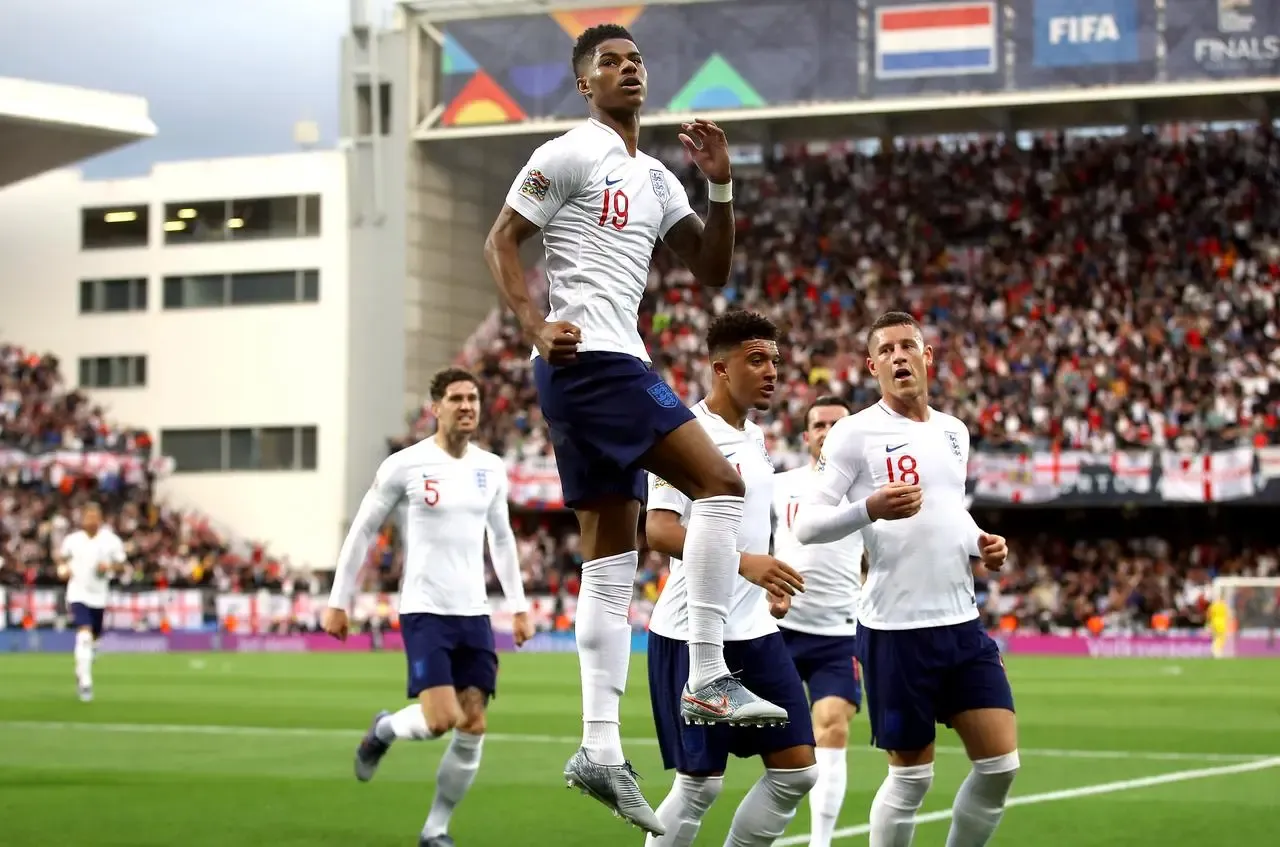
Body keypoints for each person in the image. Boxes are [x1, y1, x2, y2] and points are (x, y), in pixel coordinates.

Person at [483, 22, 785, 832]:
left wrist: (719, 187)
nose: (628, 71)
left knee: (610, 560)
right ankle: (711, 672)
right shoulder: (571, 150)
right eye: (609, 63)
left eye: (635, 61)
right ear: (585, 84)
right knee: (719, 482)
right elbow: (502, 239)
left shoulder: (654, 177)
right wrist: (533, 323)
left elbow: (712, 268)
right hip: (595, 361)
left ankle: (598, 746)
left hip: (598, 368)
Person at [794, 311, 1018, 847]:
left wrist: (981, 542)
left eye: (907, 346)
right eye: (887, 350)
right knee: (912, 778)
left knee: (1000, 766)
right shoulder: (852, 434)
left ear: (926, 357)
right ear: (873, 366)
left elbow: (951, 512)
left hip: (962, 625)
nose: (899, 356)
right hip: (897, 631)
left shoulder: (953, 432)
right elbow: (806, 524)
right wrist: (868, 508)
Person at [322, 368, 534, 847]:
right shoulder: (405, 465)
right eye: (456, 398)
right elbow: (362, 531)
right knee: (440, 720)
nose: (466, 406)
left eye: (473, 398)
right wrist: (339, 601)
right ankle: (385, 728)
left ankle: (435, 830)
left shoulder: (491, 468)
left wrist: (518, 607)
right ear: (435, 408)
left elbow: (501, 539)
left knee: (474, 722)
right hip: (425, 609)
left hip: (474, 613)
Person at [644, 310, 815, 847]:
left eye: (776, 362)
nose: (771, 372)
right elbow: (660, 531)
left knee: (797, 771)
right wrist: (747, 565)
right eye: (756, 360)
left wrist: (767, 579)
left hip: (755, 630)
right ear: (720, 368)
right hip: (691, 633)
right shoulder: (683, 437)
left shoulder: (757, 438)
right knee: (699, 789)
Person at [770, 396, 864, 847]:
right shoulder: (778, 486)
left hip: (838, 634)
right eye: (818, 425)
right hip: (777, 630)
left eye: (836, 425)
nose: (827, 432)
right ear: (806, 436)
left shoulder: (870, 492)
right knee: (776, 746)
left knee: (832, 724)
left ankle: (820, 841)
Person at [57, 502, 126, 702]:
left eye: (94, 516)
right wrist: (63, 569)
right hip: (78, 593)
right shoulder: (72, 540)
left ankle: (84, 664)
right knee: (84, 635)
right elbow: (61, 559)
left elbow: (122, 565)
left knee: (93, 640)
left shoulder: (111, 541)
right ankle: (85, 683)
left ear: (100, 518)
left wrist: (109, 567)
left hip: (99, 596)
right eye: (87, 516)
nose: (91, 520)